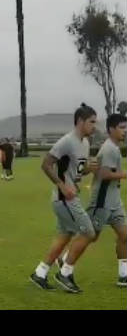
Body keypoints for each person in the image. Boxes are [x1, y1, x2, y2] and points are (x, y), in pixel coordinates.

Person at [29, 103, 98, 293]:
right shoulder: (67, 141)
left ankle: (40, 273)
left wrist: (88, 170)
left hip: (70, 196)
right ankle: (65, 273)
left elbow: (77, 172)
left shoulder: (85, 143)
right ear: (80, 122)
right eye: (92, 122)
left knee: (63, 237)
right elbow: (46, 164)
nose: (94, 126)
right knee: (89, 232)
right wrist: (62, 186)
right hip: (64, 198)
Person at [77, 114, 126, 287]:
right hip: (102, 202)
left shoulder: (115, 147)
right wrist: (125, 174)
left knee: (125, 236)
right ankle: (64, 261)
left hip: (114, 201)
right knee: (91, 236)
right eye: (121, 127)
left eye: (125, 127)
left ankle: (123, 275)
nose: (124, 131)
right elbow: (104, 175)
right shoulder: (109, 149)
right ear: (111, 129)